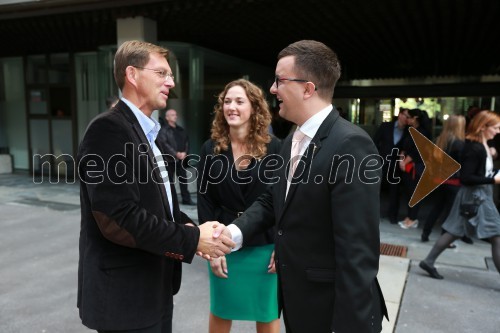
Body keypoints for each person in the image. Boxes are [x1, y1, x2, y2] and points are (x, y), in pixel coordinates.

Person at [212, 40, 387, 332]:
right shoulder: (293, 139)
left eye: (279, 80)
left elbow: (357, 251)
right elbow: (273, 200)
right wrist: (230, 234)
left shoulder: (351, 145)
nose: (272, 89)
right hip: (299, 303)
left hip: (333, 312)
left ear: (307, 88)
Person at [77, 40, 234, 333]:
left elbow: (163, 207)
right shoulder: (107, 130)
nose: (171, 82)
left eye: (170, 75)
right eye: (162, 73)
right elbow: (117, 218)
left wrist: (194, 230)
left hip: (154, 290)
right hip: (125, 298)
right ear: (132, 75)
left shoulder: (150, 133)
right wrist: (191, 240)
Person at [197, 79, 282, 333]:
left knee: (266, 314)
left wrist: (282, 246)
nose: (231, 107)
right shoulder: (210, 149)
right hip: (223, 245)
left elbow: (282, 201)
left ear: (254, 107)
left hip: (266, 246)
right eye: (227, 101)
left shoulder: (275, 148)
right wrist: (213, 249)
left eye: (239, 101)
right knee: (222, 311)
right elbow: (205, 199)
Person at [419, 110, 500, 280]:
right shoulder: (473, 147)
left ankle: (428, 261)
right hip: (476, 196)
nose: (498, 131)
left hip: (471, 193)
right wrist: (494, 180)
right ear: (483, 127)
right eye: (496, 127)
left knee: (454, 230)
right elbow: (467, 177)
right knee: (496, 235)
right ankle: (428, 260)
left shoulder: (479, 145)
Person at [420, 115, 465, 243]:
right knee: (450, 212)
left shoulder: (440, 140)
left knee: (437, 208)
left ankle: (425, 233)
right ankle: (444, 239)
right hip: (454, 181)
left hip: (440, 180)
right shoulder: (459, 143)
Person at [373, 107, 409, 224]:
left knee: (395, 192)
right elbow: (375, 141)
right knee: (373, 189)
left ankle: (392, 215)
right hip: (382, 162)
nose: (406, 119)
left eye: (409, 117)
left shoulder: (409, 131)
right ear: (399, 115)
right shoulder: (386, 126)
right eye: (405, 116)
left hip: (396, 166)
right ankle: (370, 213)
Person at [398, 108, 432, 229]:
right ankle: (409, 216)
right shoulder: (409, 130)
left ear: (415, 118)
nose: (406, 119)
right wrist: (401, 157)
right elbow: (403, 145)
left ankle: (413, 218)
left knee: (414, 194)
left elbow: (418, 151)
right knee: (408, 192)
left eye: (409, 117)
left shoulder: (423, 132)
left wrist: (405, 161)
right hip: (407, 166)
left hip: (416, 167)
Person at [157, 109, 194, 205]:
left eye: (176, 114)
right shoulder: (163, 130)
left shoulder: (180, 129)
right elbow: (164, 144)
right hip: (170, 160)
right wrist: (176, 153)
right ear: (167, 117)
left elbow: (187, 141)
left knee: (183, 180)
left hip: (181, 159)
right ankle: (171, 200)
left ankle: (186, 199)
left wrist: (185, 153)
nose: (175, 116)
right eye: (172, 115)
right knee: (170, 181)